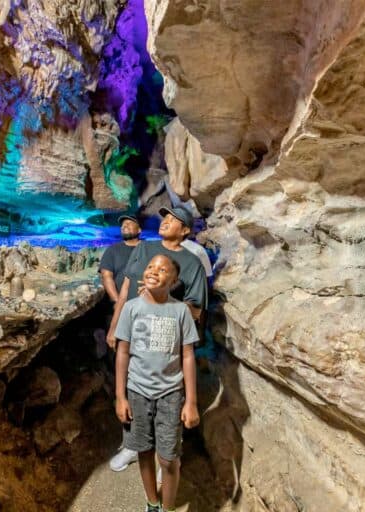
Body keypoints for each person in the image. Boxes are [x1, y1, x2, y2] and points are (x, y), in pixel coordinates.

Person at [106, 205, 207, 472]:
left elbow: (196, 309)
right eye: (165, 218)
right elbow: (127, 286)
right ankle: (132, 445)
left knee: (167, 398)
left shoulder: (192, 263)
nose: (166, 222)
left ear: (185, 230)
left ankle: (167, 454)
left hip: (165, 342)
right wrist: (114, 326)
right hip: (134, 333)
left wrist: (161, 297)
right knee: (131, 389)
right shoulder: (144, 249)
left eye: (174, 220)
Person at [114, 254, 200, 512]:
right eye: (151, 266)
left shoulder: (180, 311)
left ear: (173, 280)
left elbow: (187, 355)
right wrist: (121, 396)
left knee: (168, 457)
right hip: (137, 391)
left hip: (170, 393)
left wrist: (191, 401)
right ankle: (153, 502)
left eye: (162, 269)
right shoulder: (132, 308)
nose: (154, 270)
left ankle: (169, 507)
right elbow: (122, 352)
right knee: (142, 449)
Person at [99, 215, 141, 303]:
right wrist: (118, 302)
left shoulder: (149, 248)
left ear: (139, 230)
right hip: (121, 302)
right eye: (123, 225)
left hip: (146, 304)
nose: (124, 226)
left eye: (129, 223)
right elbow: (107, 277)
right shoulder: (112, 250)